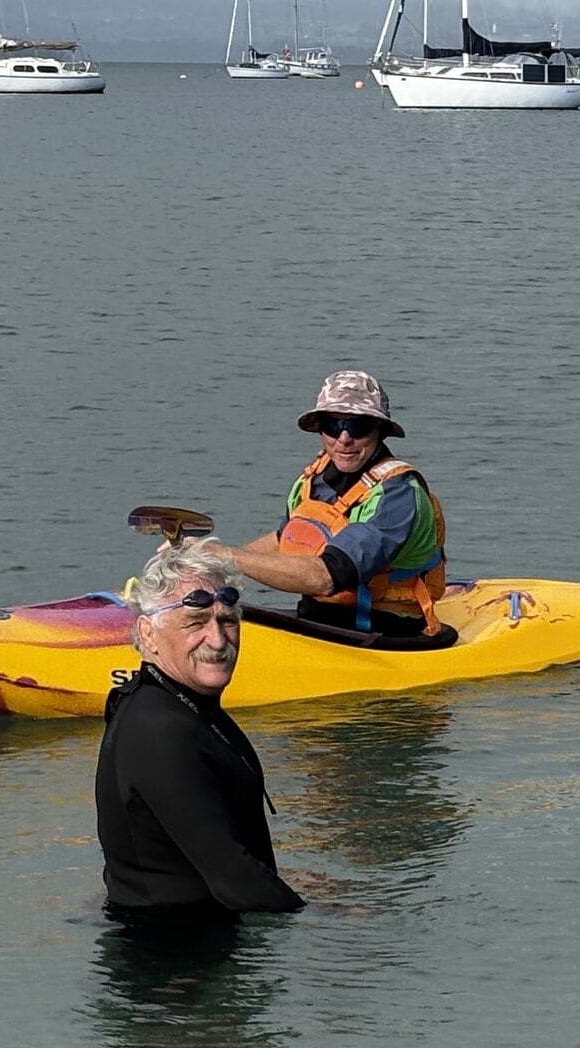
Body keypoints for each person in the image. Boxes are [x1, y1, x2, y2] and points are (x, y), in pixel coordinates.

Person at [97, 541, 304, 915]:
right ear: (148, 634)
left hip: (194, 940)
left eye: (227, 621)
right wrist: (330, 922)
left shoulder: (178, 706)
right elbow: (234, 880)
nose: (218, 640)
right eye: (195, 623)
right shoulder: (159, 730)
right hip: (179, 959)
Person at [211, 370, 453, 642]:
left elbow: (326, 578)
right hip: (316, 622)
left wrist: (227, 556)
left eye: (358, 426)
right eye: (333, 425)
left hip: (380, 635)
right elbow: (285, 540)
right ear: (320, 429)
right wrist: (207, 563)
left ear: (380, 430)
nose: (345, 438)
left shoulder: (396, 495)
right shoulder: (312, 480)